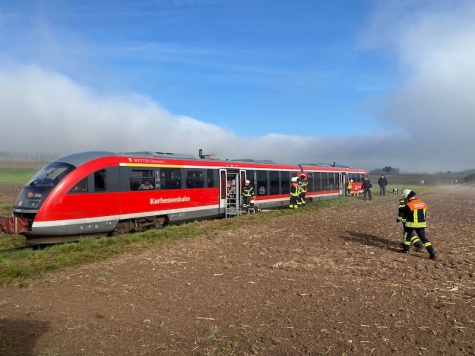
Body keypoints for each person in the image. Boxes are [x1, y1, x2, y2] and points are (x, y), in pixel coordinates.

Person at [398, 190, 436, 259]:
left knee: (407, 236)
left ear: (408, 198)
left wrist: (401, 203)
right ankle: (432, 252)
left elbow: (401, 210)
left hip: (411, 224)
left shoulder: (409, 205)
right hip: (421, 224)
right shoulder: (423, 203)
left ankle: (405, 250)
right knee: (424, 238)